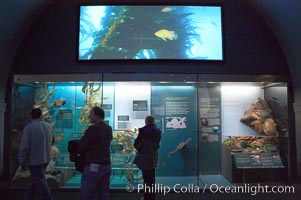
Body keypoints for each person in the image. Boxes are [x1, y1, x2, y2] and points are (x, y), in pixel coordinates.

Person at [18, 108, 54, 200]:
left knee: (41, 183)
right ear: (41, 115)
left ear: (31, 116)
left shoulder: (29, 128)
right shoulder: (48, 126)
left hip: (35, 161)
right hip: (46, 159)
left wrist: (21, 161)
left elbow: (24, 147)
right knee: (35, 182)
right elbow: (53, 142)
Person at [78, 106, 113, 200]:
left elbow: (82, 147)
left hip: (93, 165)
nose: (89, 116)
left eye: (91, 114)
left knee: (87, 194)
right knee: (103, 193)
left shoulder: (92, 129)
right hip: (106, 165)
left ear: (97, 115)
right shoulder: (108, 128)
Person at [134, 115, 161, 200]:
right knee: (152, 178)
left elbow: (136, 144)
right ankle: (152, 196)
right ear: (153, 122)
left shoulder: (143, 130)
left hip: (145, 156)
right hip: (153, 156)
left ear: (146, 121)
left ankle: (147, 197)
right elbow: (157, 145)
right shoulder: (158, 131)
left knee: (146, 178)